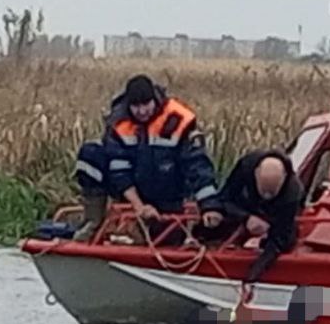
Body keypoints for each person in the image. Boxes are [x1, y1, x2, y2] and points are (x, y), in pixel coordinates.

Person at [73, 74, 223, 240]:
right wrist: (140, 206)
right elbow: (120, 172)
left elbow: (197, 165)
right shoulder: (119, 124)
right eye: (136, 106)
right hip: (132, 194)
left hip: (169, 195)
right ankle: (93, 224)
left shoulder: (177, 121)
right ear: (128, 105)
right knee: (91, 153)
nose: (142, 111)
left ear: (155, 100)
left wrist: (210, 206)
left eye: (146, 104)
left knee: (169, 240)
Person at [203, 148, 305, 281]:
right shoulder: (246, 166)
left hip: (276, 217)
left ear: (284, 178)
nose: (267, 197)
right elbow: (225, 199)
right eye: (264, 191)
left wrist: (253, 275)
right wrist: (246, 218)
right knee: (215, 218)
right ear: (256, 173)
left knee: (288, 240)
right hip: (244, 208)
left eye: (271, 193)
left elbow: (281, 239)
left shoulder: (293, 192)